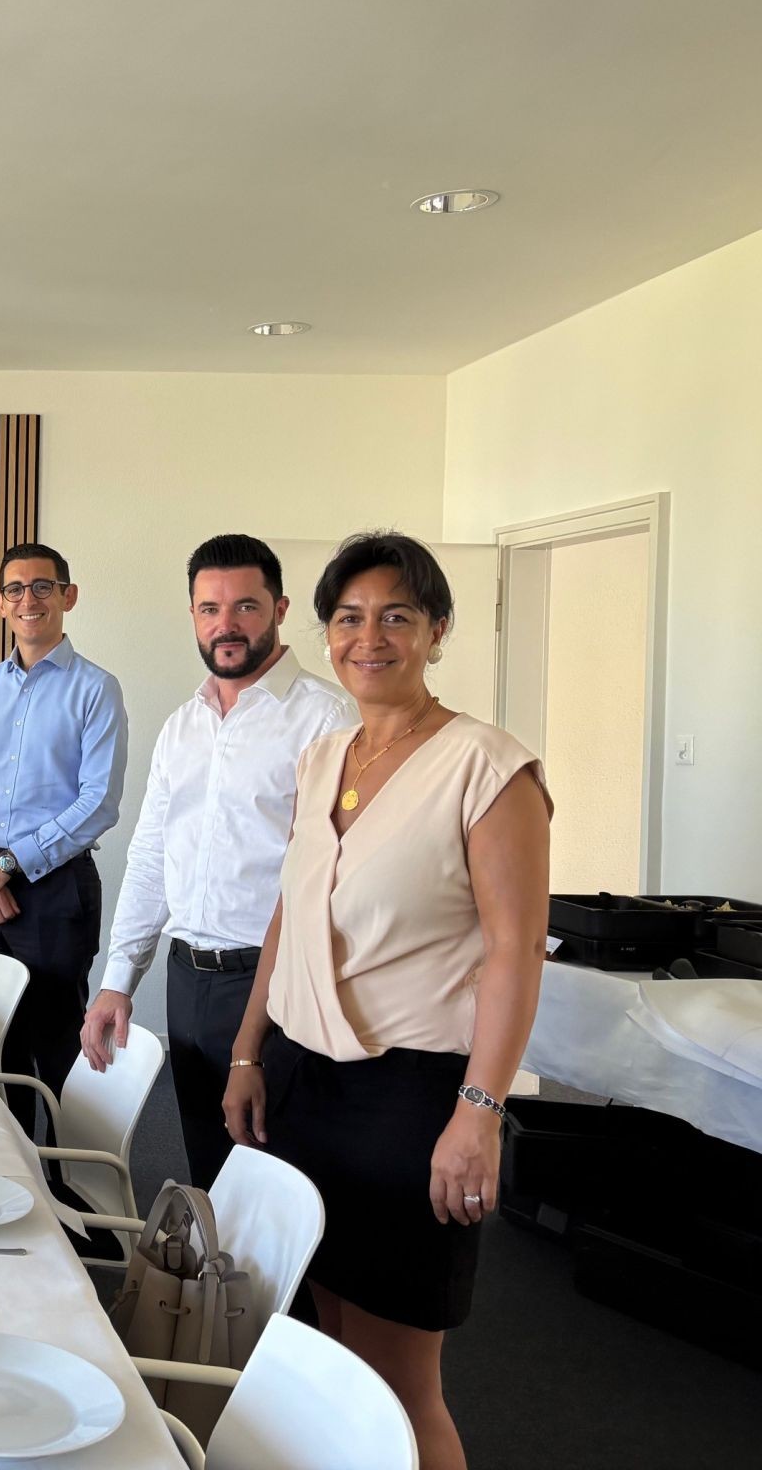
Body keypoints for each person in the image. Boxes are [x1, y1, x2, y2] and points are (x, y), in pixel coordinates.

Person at [222, 532, 550, 1470]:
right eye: (349, 618)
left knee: (398, 1381)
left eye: (396, 617)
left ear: (437, 631)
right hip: (304, 1083)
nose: (370, 638)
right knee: (323, 1347)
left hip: (409, 1099)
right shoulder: (324, 758)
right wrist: (249, 1051)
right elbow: (290, 914)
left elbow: (517, 952)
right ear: (326, 633)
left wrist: (479, 1111)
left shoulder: (488, 768)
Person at [81, 535, 354, 1189]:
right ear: (193, 616)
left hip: (276, 984)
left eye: (245, 607)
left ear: (280, 609)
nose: (225, 625)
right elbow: (152, 855)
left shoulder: (327, 720)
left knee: (272, 1177)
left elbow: (330, 879)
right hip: (187, 980)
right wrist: (119, 980)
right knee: (207, 1169)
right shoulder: (184, 724)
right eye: (209, 609)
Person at [0, 541, 128, 1133]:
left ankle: (72, 1182)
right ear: (1, 604)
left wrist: (8, 866)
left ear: (68, 596)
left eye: (43, 586)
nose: (29, 599)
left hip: (55, 889)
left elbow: (98, 803)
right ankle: (9, 1171)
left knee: (57, 1047)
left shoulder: (96, 688)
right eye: (15, 589)